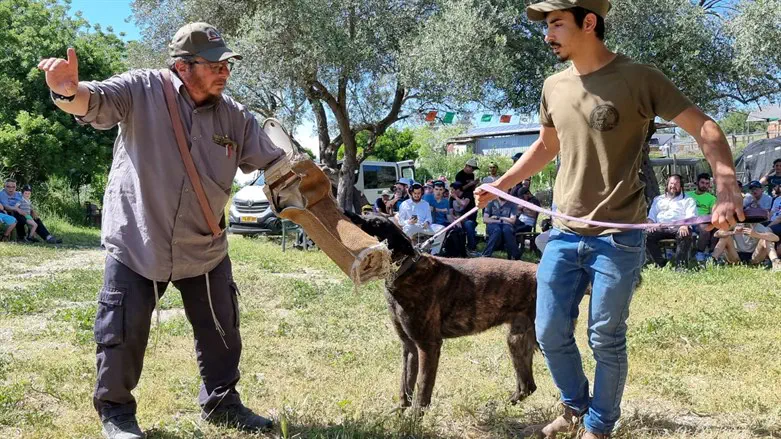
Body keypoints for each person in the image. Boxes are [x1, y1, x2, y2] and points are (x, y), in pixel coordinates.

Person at [476, 2, 743, 437]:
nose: (548, 36)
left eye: (556, 25)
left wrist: (727, 185)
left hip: (618, 238)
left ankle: (600, 426)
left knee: (604, 336)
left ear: (588, 23)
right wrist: (500, 184)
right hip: (563, 233)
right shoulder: (553, 86)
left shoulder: (640, 78)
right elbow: (546, 146)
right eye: (546, 27)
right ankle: (574, 407)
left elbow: (705, 127)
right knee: (547, 330)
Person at [39, 22, 287, 437]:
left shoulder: (237, 117)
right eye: (215, 64)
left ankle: (222, 404)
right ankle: (116, 414)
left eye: (228, 64)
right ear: (183, 66)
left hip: (204, 245)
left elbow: (274, 163)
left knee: (222, 330)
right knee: (122, 330)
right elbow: (92, 100)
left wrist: (302, 180)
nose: (225, 71)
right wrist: (67, 92)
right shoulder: (141, 89)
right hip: (139, 238)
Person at [646, 175, 697, 268]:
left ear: (681, 186)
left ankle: (681, 266)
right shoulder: (658, 199)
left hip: (679, 228)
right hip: (660, 228)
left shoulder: (688, 200)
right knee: (646, 235)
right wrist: (651, 224)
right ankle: (661, 263)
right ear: (667, 185)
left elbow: (691, 216)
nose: (673, 186)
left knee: (684, 234)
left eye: (676, 184)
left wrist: (684, 225)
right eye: (671, 183)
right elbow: (651, 216)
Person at [0, 179, 61, 244]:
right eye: (8, 186)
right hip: (9, 212)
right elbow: (5, 206)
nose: (11, 189)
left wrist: (32, 210)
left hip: (23, 211)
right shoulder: (2, 194)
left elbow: (26, 203)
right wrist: (17, 209)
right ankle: (22, 237)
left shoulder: (19, 194)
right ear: (4, 186)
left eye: (13, 187)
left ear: (16, 187)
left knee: (35, 218)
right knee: (20, 216)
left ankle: (48, 237)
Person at [396, 184, 445, 253]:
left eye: (419, 193)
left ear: (421, 193)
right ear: (411, 193)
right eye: (415, 193)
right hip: (411, 226)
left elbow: (429, 218)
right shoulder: (404, 204)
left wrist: (427, 222)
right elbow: (400, 221)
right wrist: (409, 222)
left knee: (442, 229)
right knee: (407, 229)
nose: (417, 195)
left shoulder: (425, 204)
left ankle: (434, 252)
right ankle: (407, 252)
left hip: (424, 226)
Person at [713, 220, 779, 266]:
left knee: (766, 239)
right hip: (736, 256)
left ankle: (775, 262)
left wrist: (756, 234)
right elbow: (716, 234)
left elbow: (776, 238)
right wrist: (733, 232)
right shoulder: (735, 225)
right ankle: (712, 260)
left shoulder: (759, 227)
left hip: (754, 257)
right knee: (725, 238)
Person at [686, 173, 718, 261]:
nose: (705, 185)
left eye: (707, 184)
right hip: (689, 221)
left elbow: (713, 213)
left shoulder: (711, 198)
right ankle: (700, 253)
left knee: (717, 228)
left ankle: (711, 253)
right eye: (702, 183)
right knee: (705, 229)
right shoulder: (687, 195)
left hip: (705, 221)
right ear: (697, 183)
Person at [482, 195, 520, 260]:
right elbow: (485, 219)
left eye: (505, 191)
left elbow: (512, 220)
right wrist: (501, 221)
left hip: (507, 226)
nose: (504, 193)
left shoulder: (512, 204)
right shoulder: (491, 203)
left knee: (507, 230)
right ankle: (486, 255)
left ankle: (514, 256)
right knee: (497, 230)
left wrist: (499, 218)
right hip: (493, 225)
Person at [450, 181, 478, 255]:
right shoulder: (451, 198)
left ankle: (471, 247)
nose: (451, 191)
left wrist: (455, 197)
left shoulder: (468, 195)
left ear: (458, 190)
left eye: (452, 189)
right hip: (457, 219)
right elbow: (451, 211)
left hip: (469, 219)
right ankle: (456, 248)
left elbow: (464, 204)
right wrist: (455, 219)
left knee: (468, 224)